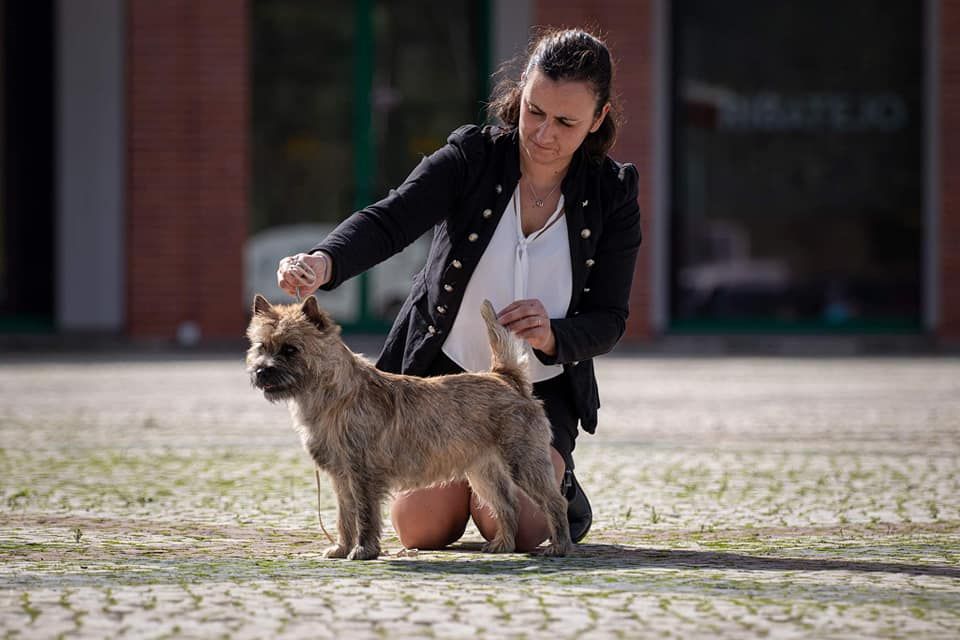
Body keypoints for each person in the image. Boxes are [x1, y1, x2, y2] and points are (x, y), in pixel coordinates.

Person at [275, 28, 641, 551]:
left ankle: (558, 486)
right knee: (423, 531)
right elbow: (390, 220)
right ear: (521, 92)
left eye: (566, 122)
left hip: (535, 387)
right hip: (438, 381)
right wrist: (323, 260)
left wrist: (554, 333)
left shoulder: (613, 193)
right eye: (534, 111)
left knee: (517, 528)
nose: (543, 134)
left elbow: (610, 318)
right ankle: (484, 483)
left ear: (598, 120)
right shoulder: (473, 157)